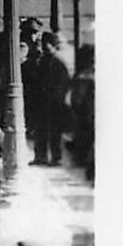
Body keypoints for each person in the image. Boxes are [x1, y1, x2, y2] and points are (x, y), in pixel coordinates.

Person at [32, 32, 73, 167]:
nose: (45, 47)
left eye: (47, 44)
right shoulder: (42, 61)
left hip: (54, 103)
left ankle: (56, 158)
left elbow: (65, 84)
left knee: (54, 131)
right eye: (43, 44)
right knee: (40, 130)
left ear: (53, 45)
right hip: (42, 102)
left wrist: (56, 96)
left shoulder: (59, 64)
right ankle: (40, 157)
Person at [70, 44, 95, 182]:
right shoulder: (87, 77)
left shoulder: (82, 77)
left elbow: (76, 100)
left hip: (85, 114)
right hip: (88, 114)